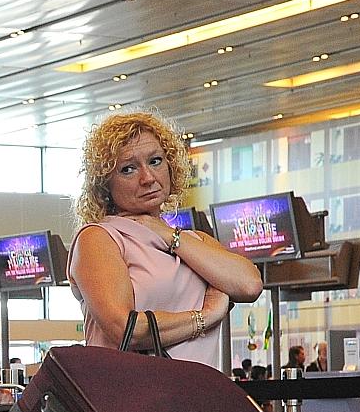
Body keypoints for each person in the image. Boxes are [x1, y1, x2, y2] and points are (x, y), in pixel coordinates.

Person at [67, 111, 262, 366]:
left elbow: (249, 285)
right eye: (128, 169)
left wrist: (166, 234)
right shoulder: (99, 238)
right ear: (104, 184)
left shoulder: (191, 240)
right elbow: (125, 328)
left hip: (193, 397)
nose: (148, 178)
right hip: (130, 399)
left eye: (156, 161)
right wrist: (204, 316)